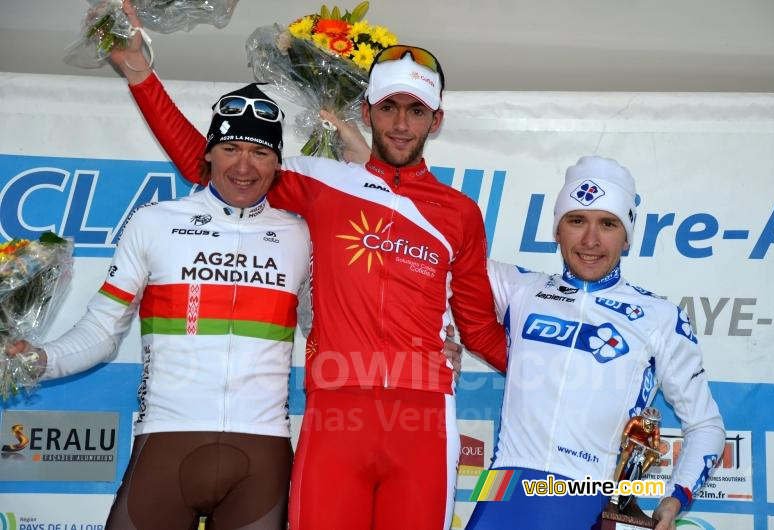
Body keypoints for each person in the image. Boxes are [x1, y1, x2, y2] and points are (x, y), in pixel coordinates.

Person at [109, 4, 507, 529]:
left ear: (437, 119)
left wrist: (557, 371)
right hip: (336, 413)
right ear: (366, 112)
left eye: (416, 110)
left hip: (425, 418)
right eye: (389, 107)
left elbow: (478, 326)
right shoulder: (324, 182)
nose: (402, 123)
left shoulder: (459, 212)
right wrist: (141, 75)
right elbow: (208, 163)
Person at [6, 86, 309, 529]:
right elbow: (102, 330)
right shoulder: (155, 222)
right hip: (168, 439)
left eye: (259, 153)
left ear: (278, 163)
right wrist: (38, 360)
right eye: (229, 149)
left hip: (262, 450)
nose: (243, 166)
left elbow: (329, 325)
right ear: (207, 155)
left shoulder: (299, 235)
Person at [466, 156, 725, 529]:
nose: (590, 240)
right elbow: (427, 235)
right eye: (576, 221)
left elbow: (706, 425)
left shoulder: (659, 317)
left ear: (626, 237)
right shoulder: (522, 289)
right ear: (557, 230)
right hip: (503, 488)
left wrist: (676, 496)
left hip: (584, 496)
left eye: (607, 224)